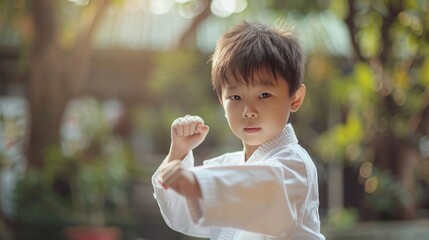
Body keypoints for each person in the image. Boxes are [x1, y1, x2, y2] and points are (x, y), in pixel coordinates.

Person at [152, 21, 325, 240]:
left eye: (264, 95)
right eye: (235, 97)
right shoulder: (231, 166)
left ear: (295, 98)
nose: (248, 111)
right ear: (221, 101)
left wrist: (198, 184)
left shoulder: (294, 164)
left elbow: (263, 189)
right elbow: (182, 216)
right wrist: (178, 154)